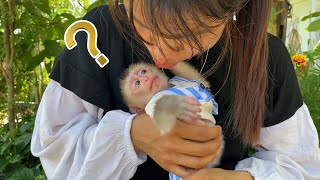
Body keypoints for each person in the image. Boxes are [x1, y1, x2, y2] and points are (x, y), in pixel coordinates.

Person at [31, 0, 320, 180]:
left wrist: (241, 178)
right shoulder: (95, 38)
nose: (157, 57)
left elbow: (301, 165)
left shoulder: (265, 57)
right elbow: (56, 155)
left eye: (183, 40)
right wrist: (131, 135)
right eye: (141, 25)